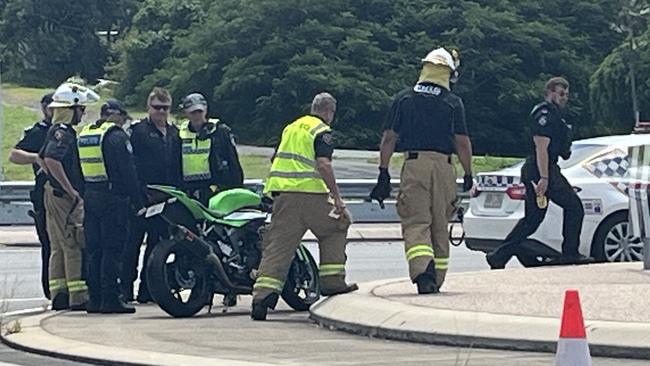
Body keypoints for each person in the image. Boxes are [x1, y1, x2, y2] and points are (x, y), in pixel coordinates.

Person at [370, 47, 473, 294]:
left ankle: (422, 272)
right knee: (440, 221)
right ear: (448, 73)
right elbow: (462, 141)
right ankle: (436, 277)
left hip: (415, 165)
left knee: (416, 221)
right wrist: (468, 172)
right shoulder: (452, 102)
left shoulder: (404, 99)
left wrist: (383, 172)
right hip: (445, 166)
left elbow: (388, 138)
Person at [251, 92, 358, 321]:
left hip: (283, 196)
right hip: (312, 196)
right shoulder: (322, 131)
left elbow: (274, 159)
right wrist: (337, 199)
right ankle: (332, 282)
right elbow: (323, 164)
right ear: (330, 112)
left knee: (278, 245)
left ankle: (262, 298)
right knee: (337, 227)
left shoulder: (291, 128)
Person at [486, 77, 592, 269]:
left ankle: (499, 256)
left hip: (542, 168)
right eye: (561, 94)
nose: (564, 98)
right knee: (574, 207)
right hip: (540, 168)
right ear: (549, 92)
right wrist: (544, 178)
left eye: (566, 95)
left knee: (533, 218)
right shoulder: (544, 114)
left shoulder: (557, 116)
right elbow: (541, 147)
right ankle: (570, 254)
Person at [40, 82, 100, 311]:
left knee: (57, 246)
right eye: (81, 109)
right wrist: (71, 190)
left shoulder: (54, 130)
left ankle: (59, 293)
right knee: (72, 244)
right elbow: (51, 160)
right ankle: (77, 296)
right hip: (64, 199)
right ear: (71, 109)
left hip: (52, 194)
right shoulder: (63, 133)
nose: (82, 114)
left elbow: (43, 159)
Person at [80, 99, 144, 314]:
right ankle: (111, 298)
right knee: (113, 249)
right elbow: (128, 171)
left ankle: (95, 298)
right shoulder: (116, 136)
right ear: (117, 115)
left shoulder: (87, 134)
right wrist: (138, 199)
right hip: (113, 198)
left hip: (91, 195)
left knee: (94, 250)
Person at [122, 87, 181, 303]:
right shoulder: (137, 131)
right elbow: (129, 166)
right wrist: (136, 195)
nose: (161, 112)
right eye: (157, 108)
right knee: (132, 246)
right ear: (149, 107)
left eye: (165, 108)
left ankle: (148, 291)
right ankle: (125, 290)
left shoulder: (175, 133)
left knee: (157, 248)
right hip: (141, 197)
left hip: (165, 199)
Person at [9, 92, 54, 299]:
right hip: (43, 195)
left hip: (64, 195)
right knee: (49, 244)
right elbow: (14, 155)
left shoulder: (64, 131)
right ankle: (51, 290)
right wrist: (36, 158)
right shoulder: (39, 131)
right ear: (45, 108)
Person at [178, 92, 244, 205]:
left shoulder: (220, 132)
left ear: (206, 110)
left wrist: (236, 188)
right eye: (193, 112)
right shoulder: (179, 134)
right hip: (188, 191)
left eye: (200, 111)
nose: (197, 115)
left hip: (215, 189)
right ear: (186, 113)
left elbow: (233, 163)